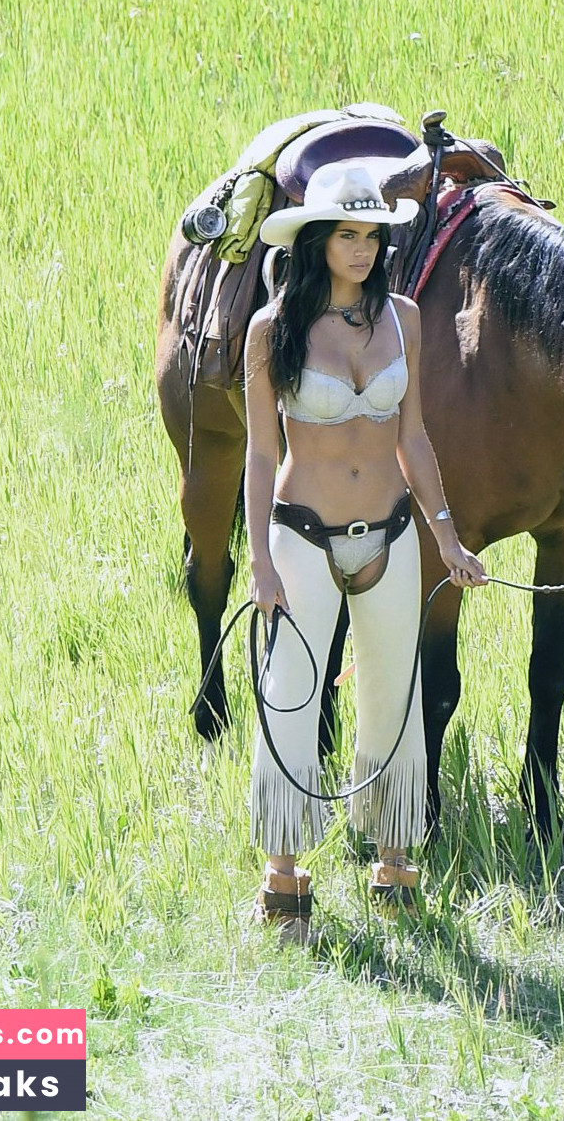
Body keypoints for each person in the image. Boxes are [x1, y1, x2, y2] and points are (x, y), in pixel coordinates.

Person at [243, 163, 487, 938]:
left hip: (388, 529)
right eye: (346, 234)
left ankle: (394, 860)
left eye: (371, 236)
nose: (361, 249)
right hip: (301, 535)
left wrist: (445, 535)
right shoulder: (270, 329)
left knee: (398, 695)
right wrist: (259, 561)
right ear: (316, 240)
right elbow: (257, 454)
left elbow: (412, 434)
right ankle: (282, 874)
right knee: (291, 691)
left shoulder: (404, 319)